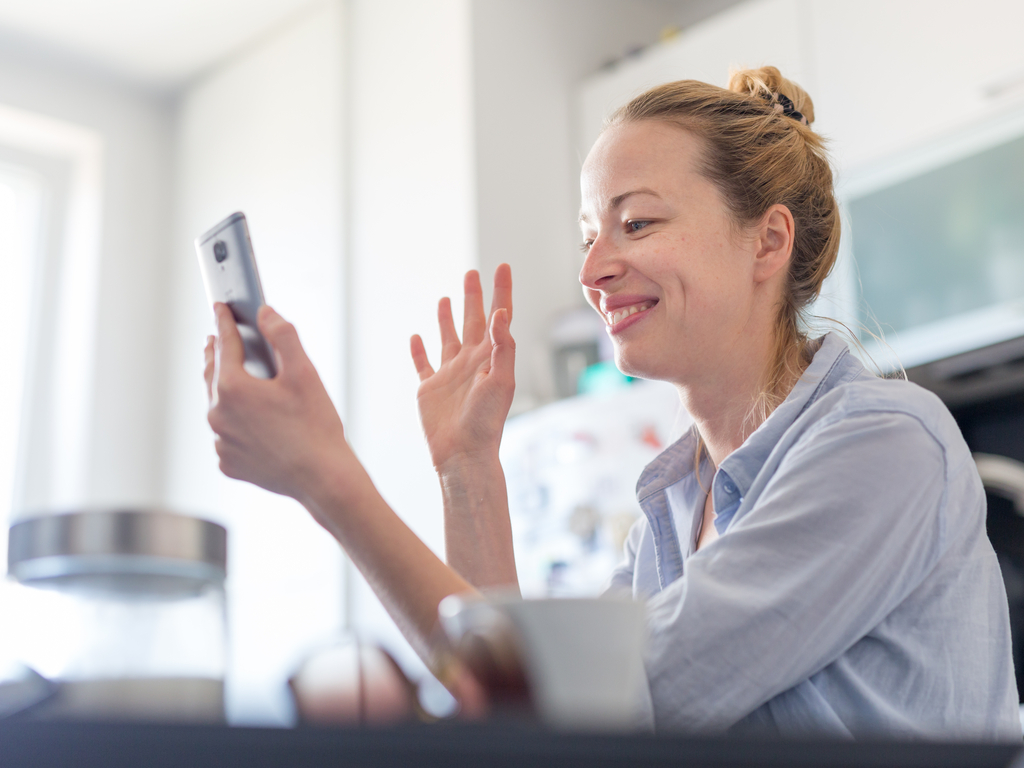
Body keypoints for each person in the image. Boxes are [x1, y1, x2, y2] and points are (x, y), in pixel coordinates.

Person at [204, 66, 1021, 738]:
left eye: (635, 224)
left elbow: (602, 707)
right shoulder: (672, 513)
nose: (592, 270)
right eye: (589, 233)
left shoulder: (886, 444)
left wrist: (329, 482)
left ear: (769, 241)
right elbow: (531, 719)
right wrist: (467, 469)